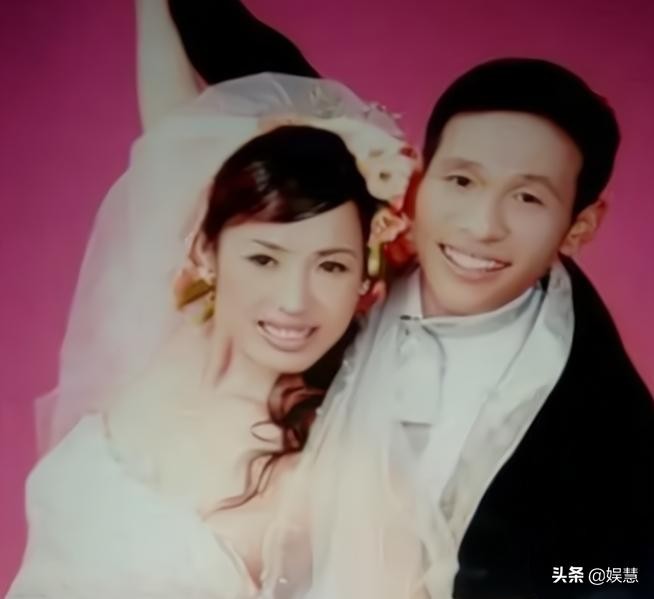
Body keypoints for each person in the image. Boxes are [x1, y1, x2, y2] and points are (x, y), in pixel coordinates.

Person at [168, 3, 654, 598]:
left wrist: (535, 584)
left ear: (580, 225)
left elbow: (630, 573)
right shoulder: (357, 232)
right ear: (421, 174)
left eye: (527, 198)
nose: (480, 226)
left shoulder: (605, 409)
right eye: (462, 181)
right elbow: (257, 66)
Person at [6, 6, 424, 596]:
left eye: (331, 265)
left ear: (365, 277)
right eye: (264, 260)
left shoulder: (335, 471)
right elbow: (169, 140)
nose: (294, 300)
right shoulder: (171, 333)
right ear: (206, 251)